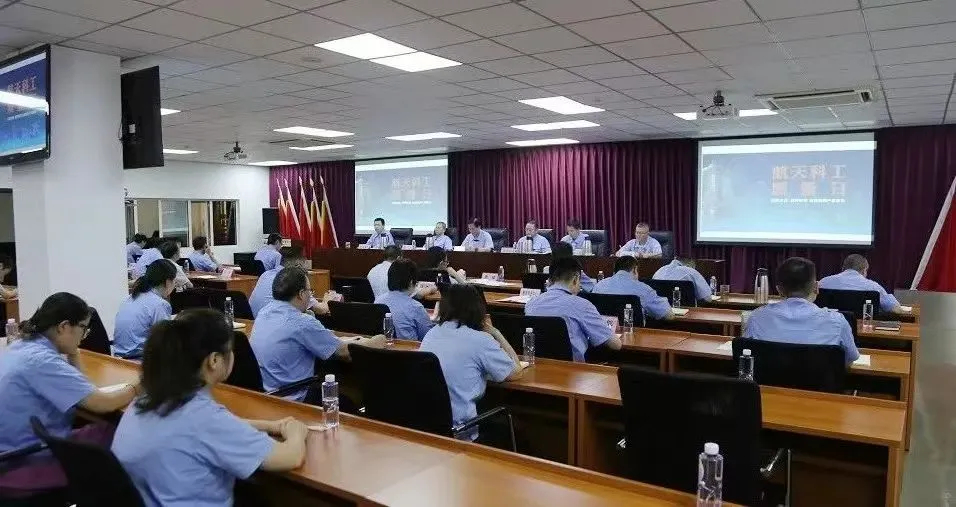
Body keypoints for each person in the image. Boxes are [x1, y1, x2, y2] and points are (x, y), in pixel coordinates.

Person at [111, 309, 309, 506]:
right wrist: (296, 432)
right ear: (214, 360)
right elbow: (289, 457)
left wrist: (270, 426)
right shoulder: (205, 418)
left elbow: (214, 429)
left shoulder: (144, 401)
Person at [0, 293, 140, 497]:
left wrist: (74, 352)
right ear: (64, 326)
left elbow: (83, 388)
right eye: (83, 328)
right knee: (120, 431)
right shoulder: (43, 361)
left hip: (15, 450)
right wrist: (139, 386)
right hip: (24, 461)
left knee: (100, 428)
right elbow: (101, 403)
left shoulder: (22, 346)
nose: (84, 336)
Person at [251, 267, 385, 400]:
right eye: (310, 291)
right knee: (349, 401)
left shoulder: (264, 312)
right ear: (301, 294)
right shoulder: (300, 321)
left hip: (267, 394)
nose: (311, 295)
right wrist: (376, 341)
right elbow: (345, 353)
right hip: (294, 395)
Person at [419, 284, 523, 440]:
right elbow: (516, 372)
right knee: (517, 430)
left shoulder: (431, 334)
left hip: (430, 426)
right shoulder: (479, 339)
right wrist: (496, 332)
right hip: (462, 429)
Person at [743, 257, 860, 364]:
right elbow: (851, 357)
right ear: (816, 287)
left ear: (779, 290)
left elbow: (746, 352)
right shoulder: (837, 321)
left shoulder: (756, 318)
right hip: (818, 381)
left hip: (768, 380)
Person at [525, 257, 622, 362]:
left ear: (550, 280)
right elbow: (615, 345)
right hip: (573, 368)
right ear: (575, 279)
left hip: (538, 365)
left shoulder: (531, 304)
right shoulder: (582, 305)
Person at [113, 260, 177, 360]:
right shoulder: (159, 304)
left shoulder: (130, 298)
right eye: (174, 281)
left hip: (118, 357)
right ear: (168, 282)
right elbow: (165, 341)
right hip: (140, 360)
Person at [250, 247, 332, 318]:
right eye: (305, 263)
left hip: (255, 322)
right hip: (279, 323)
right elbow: (321, 310)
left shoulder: (265, 274)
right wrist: (328, 300)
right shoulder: (293, 279)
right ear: (299, 265)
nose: (307, 268)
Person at [594, 256, 673, 321]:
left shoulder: (599, 285)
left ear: (615, 271)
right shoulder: (643, 289)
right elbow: (667, 314)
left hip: (605, 332)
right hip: (634, 333)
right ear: (635, 269)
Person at [819, 254, 904, 313]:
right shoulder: (873, 287)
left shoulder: (823, 283)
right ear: (864, 270)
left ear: (843, 268)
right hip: (864, 330)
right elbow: (895, 309)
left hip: (829, 329)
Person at [374, 259, 435, 341]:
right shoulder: (415, 307)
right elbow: (428, 337)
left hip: (380, 347)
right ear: (411, 282)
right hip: (409, 348)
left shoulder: (378, 301)